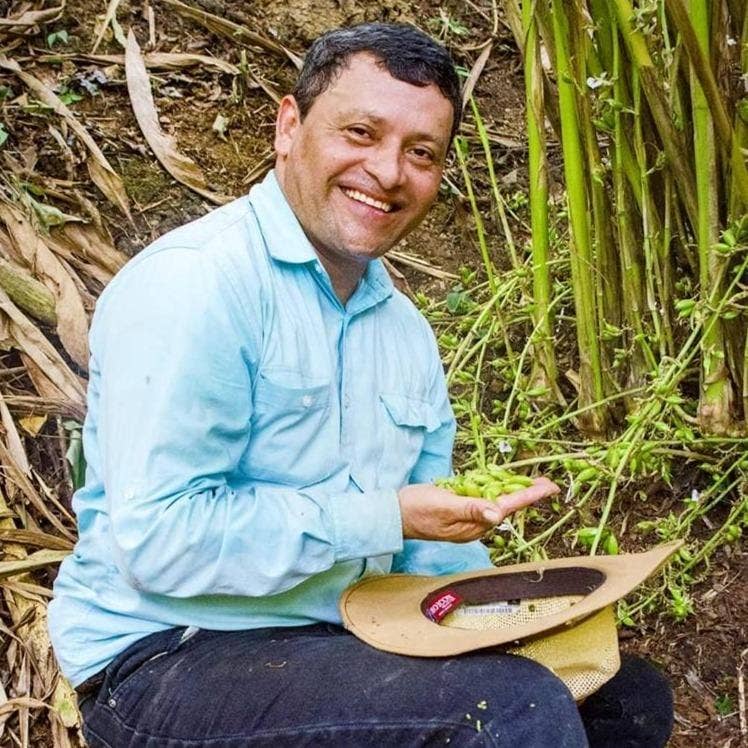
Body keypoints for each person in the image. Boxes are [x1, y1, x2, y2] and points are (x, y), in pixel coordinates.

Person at [49, 22, 673, 746]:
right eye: (360, 132)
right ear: (290, 127)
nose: (387, 172)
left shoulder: (403, 332)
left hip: (336, 638)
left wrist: (501, 610)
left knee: (624, 697)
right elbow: (160, 540)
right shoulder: (199, 285)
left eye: (421, 153)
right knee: (509, 713)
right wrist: (385, 515)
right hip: (168, 655)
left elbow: (429, 555)